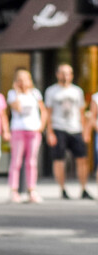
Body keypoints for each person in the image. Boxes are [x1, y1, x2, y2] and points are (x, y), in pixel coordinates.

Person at [42, 63, 91, 200]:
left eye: (68, 73)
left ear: (72, 75)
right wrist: (49, 132)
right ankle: (62, 189)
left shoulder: (77, 91)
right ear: (57, 74)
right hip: (59, 128)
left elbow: (81, 112)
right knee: (59, 160)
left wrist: (85, 130)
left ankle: (83, 188)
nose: (65, 76)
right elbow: (48, 113)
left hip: (76, 128)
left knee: (82, 159)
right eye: (63, 73)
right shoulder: (51, 91)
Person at [6, 68, 44, 204]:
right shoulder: (12, 94)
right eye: (20, 80)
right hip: (18, 130)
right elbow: (17, 108)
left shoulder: (35, 93)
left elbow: (43, 110)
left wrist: (41, 126)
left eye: (25, 79)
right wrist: (16, 91)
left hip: (33, 131)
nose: (22, 82)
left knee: (31, 162)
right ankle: (14, 190)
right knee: (16, 161)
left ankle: (31, 190)